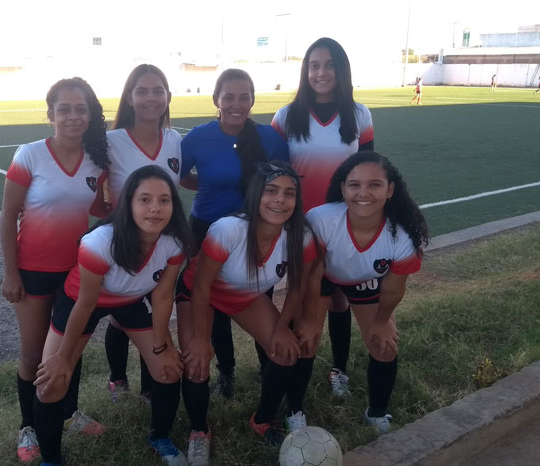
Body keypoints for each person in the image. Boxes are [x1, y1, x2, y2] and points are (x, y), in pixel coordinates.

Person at [26, 166, 193, 466]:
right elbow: (87, 304)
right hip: (80, 301)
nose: (155, 208)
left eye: (164, 200)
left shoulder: (173, 242)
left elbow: (162, 296)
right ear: (128, 204)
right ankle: (51, 463)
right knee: (50, 385)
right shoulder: (100, 241)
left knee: (169, 371)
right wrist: (61, 359)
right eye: (145, 200)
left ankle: (159, 436)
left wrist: (162, 346)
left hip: (131, 300)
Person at [177, 161, 320, 466]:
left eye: (289, 193)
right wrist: (201, 339)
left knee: (285, 352)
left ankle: (263, 419)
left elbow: (297, 288)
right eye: (271, 191)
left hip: (243, 296)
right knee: (196, 363)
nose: (280, 200)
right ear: (255, 195)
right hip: (199, 293)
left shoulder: (301, 235)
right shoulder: (228, 229)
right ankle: (200, 430)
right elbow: (201, 287)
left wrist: (282, 328)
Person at [0, 77, 110, 466]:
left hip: (75, 273)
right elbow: (8, 215)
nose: (73, 116)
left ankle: (67, 414)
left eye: (81, 108)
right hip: (32, 272)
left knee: (68, 350)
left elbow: (97, 208)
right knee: (33, 355)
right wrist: (11, 273)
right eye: (64, 109)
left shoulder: (97, 160)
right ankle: (28, 425)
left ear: (91, 114)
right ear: (50, 115)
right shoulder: (29, 154)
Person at [271, 37, 374, 400]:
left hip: (341, 224)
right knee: (302, 299)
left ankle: (339, 369)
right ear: (306, 71)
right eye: (314, 65)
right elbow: (274, 174)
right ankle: (294, 370)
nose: (321, 72)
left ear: (341, 70)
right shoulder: (286, 116)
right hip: (299, 225)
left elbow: (368, 171)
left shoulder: (360, 114)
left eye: (329, 64)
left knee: (339, 299)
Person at [180, 68, 289, 399]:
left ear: (253, 100)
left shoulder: (270, 139)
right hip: (205, 231)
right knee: (212, 306)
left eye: (244, 97)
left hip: (253, 233)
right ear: (216, 100)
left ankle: (267, 367)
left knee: (259, 298)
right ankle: (225, 372)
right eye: (229, 96)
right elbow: (181, 176)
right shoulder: (198, 138)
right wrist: (212, 185)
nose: (236, 104)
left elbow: (282, 183)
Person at [303, 151, 429, 434]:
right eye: (354, 184)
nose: (363, 193)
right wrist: (311, 318)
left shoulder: (402, 236)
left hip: (363, 280)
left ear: (390, 190)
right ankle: (325, 384)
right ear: (342, 188)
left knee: (384, 346)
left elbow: (394, 289)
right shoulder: (321, 219)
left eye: (374, 184)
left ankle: (376, 412)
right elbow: (311, 273)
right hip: (323, 276)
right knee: (307, 338)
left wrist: (382, 321)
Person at [104, 64, 181, 405]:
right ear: (130, 98)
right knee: (122, 317)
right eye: (142, 91)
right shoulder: (111, 141)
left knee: (155, 313)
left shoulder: (176, 139)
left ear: (167, 97)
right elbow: (91, 193)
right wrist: (119, 222)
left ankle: (151, 387)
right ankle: (117, 380)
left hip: (164, 244)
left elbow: (183, 182)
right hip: (125, 245)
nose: (151, 98)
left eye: (157, 90)